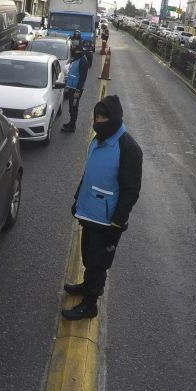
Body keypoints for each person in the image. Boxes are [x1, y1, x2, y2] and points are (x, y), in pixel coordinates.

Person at [62, 95, 143, 320]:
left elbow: (130, 191)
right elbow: (90, 174)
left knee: (98, 264)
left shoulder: (128, 148)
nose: (98, 121)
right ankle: (86, 286)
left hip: (107, 221)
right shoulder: (97, 140)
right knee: (88, 257)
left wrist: (116, 224)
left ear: (115, 119)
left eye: (103, 117)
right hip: (89, 213)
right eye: (96, 117)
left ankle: (90, 304)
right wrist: (78, 199)